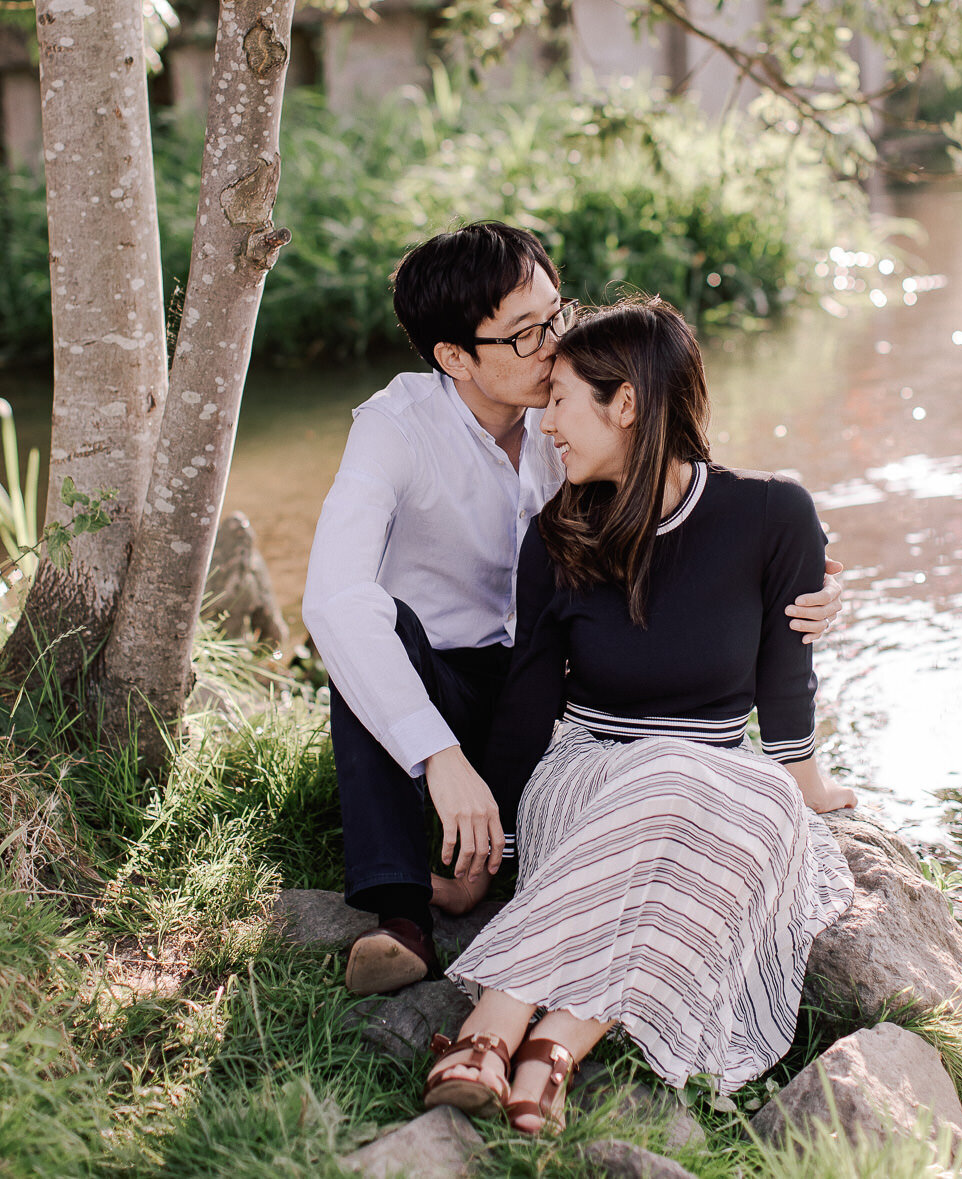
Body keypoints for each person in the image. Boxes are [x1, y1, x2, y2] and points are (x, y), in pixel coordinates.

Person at [302, 226, 845, 997]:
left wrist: (796, 567)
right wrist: (439, 756)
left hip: (560, 687)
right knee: (367, 629)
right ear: (454, 357)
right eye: (526, 335)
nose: (555, 343)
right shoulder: (393, 430)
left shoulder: (571, 409)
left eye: (556, 315)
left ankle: (517, 864)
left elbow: (682, 480)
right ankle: (401, 913)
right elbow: (332, 595)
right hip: (447, 681)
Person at [425, 298, 856, 1133]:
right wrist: (499, 843)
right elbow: (526, 696)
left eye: (560, 399)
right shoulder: (556, 534)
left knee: (760, 798)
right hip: (588, 775)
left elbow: (784, 666)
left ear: (624, 404)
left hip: (716, 780)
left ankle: (542, 1049)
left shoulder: (772, 514)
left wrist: (803, 777)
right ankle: (499, 1026)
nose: (545, 422)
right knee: (695, 777)